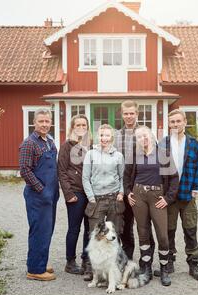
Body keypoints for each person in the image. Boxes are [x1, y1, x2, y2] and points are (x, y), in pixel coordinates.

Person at [124, 126, 179, 286]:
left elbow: (174, 178)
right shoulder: (134, 155)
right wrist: (128, 192)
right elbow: (126, 176)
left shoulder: (163, 154)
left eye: (145, 135)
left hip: (157, 196)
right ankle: (146, 267)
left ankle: (164, 268)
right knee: (143, 233)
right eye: (139, 136)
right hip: (139, 195)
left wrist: (168, 198)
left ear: (151, 135)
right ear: (137, 140)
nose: (143, 138)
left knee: (162, 234)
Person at [157, 109, 198, 281]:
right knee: (169, 230)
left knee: (190, 230)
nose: (176, 124)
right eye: (172, 122)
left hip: (187, 193)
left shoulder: (194, 144)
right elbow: (158, 170)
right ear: (169, 124)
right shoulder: (163, 144)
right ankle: (169, 261)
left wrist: (196, 188)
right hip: (169, 195)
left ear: (185, 122)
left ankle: (193, 263)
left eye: (178, 121)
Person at [19, 108, 60, 281]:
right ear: (34, 122)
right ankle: (35, 270)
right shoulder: (29, 143)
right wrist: (42, 190)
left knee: (47, 230)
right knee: (38, 231)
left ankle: (40, 262)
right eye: (41, 121)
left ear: (51, 122)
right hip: (38, 195)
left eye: (47, 121)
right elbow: (25, 171)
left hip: (50, 194)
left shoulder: (49, 141)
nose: (44, 124)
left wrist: (52, 192)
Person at [114, 100, 155, 261]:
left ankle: (147, 260)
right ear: (122, 114)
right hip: (124, 187)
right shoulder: (117, 136)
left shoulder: (147, 134)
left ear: (137, 114)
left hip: (143, 186)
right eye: (126, 113)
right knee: (125, 226)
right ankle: (127, 258)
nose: (129, 116)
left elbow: (154, 159)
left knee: (144, 225)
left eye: (132, 113)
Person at [58, 115, 92, 279]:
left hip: (90, 192)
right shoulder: (66, 146)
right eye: (77, 124)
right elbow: (62, 171)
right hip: (76, 193)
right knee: (74, 229)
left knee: (89, 229)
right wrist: (68, 193)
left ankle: (86, 259)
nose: (81, 127)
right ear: (72, 127)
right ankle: (70, 262)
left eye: (84, 124)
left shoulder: (90, 145)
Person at [82, 124, 125, 239]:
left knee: (114, 235)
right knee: (96, 235)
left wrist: (121, 193)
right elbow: (85, 178)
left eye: (107, 135)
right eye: (101, 135)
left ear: (111, 137)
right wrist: (91, 197)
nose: (104, 138)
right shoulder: (90, 154)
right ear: (98, 136)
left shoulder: (118, 156)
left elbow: (122, 177)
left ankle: (114, 257)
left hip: (114, 199)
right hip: (96, 199)